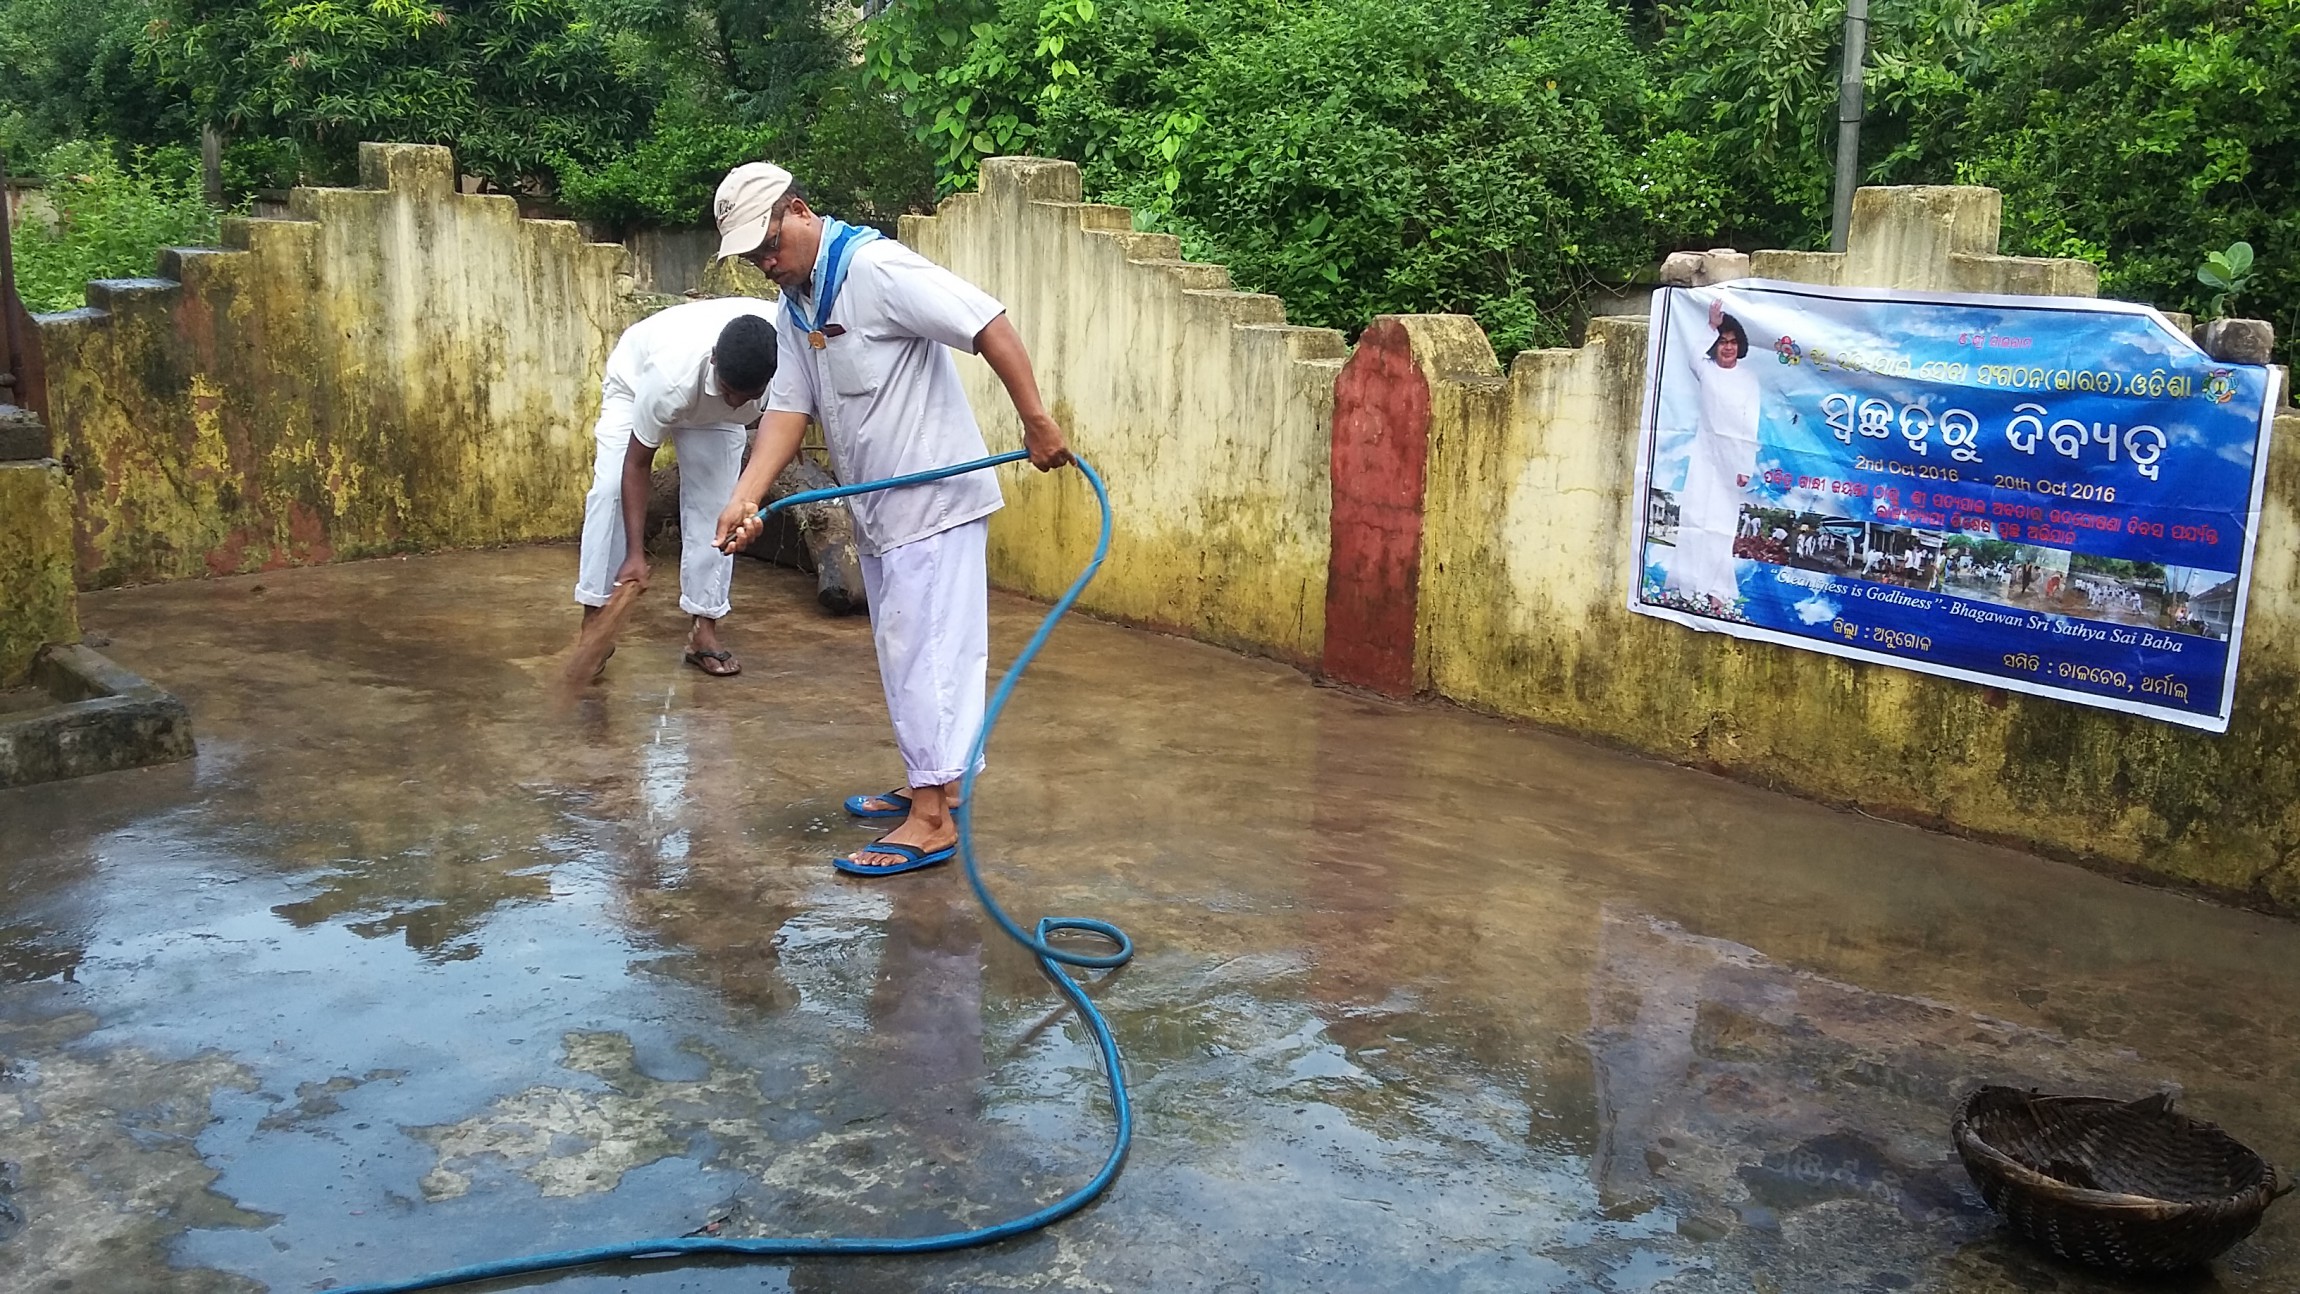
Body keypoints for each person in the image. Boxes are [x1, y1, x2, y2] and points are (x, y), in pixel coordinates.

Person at [707, 162, 1071, 876]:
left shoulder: (876, 269)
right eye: (753, 257)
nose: (766, 263)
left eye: (769, 246)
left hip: (933, 502)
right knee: (909, 652)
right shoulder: (797, 305)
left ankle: (931, 820)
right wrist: (745, 494)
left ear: (799, 210)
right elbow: (789, 408)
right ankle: (935, 785)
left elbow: (985, 321)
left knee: (925, 655)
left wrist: (1036, 421)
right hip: (880, 510)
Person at [576, 297, 779, 676]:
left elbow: (788, 409)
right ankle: (594, 619)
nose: (736, 403)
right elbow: (636, 463)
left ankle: (704, 631)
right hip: (636, 384)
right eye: (729, 391)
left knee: (720, 508)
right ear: (714, 360)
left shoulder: (786, 350)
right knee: (610, 490)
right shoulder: (669, 379)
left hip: (713, 415)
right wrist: (636, 553)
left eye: (748, 397)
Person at [1671, 297, 1762, 612]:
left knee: (1721, 525)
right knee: (1694, 517)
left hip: (1732, 462)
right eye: (1723, 342)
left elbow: (1751, 424)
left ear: (1740, 346)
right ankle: (1687, 586)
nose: (1728, 348)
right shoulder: (1706, 370)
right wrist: (1712, 324)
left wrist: (1745, 466)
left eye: (1733, 342)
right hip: (1704, 456)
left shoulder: (1749, 380)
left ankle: (1717, 592)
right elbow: (1693, 355)